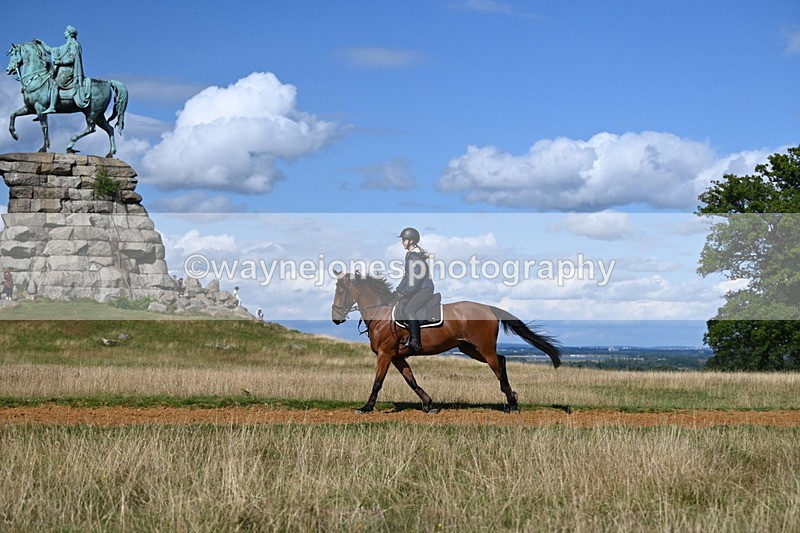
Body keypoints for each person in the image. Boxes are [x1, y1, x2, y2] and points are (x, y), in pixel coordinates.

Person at [392, 227, 434, 353]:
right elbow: (406, 277)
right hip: (417, 289)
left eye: (404, 239)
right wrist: (397, 291)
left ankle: (415, 342)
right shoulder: (410, 256)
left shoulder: (416, 258)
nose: (402, 242)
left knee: (409, 310)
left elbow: (414, 281)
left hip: (424, 290)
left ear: (411, 241)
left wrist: (403, 293)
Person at [33, 25, 90, 114]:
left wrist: (60, 62)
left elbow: (72, 59)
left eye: (65, 31)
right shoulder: (64, 46)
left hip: (67, 72)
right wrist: (42, 43)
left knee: (53, 83)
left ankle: (52, 106)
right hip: (61, 70)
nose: (64, 33)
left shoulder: (74, 45)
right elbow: (51, 50)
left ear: (70, 34)